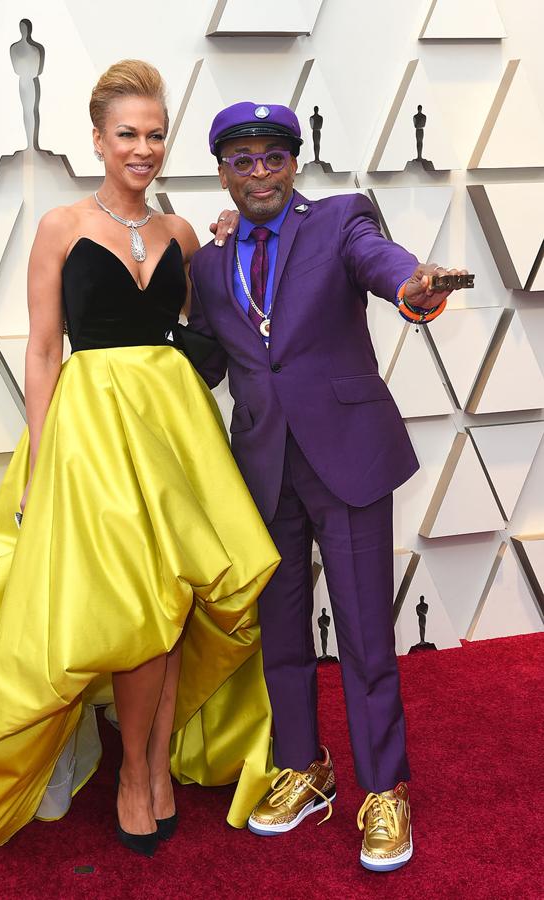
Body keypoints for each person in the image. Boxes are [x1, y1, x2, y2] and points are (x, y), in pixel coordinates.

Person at [0, 63, 280, 859]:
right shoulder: (61, 227)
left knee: (180, 594)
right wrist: (46, 458)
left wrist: (224, 243)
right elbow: (43, 350)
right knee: (134, 600)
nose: (143, 148)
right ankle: (132, 775)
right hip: (89, 431)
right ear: (97, 140)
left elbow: (211, 329)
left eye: (155, 134)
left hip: (174, 428)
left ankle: (153, 762)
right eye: (128, 134)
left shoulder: (184, 234)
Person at [187, 101, 468, 872]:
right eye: (240, 160)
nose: (257, 173)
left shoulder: (341, 218)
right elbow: (206, 362)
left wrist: (418, 287)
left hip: (345, 455)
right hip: (263, 465)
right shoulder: (208, 264)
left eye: (271, 157)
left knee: (365, 634)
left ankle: (384, 792)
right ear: (222, 170)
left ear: (294, 162)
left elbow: (385, 266)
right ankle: (304, 769)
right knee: (282, 634)